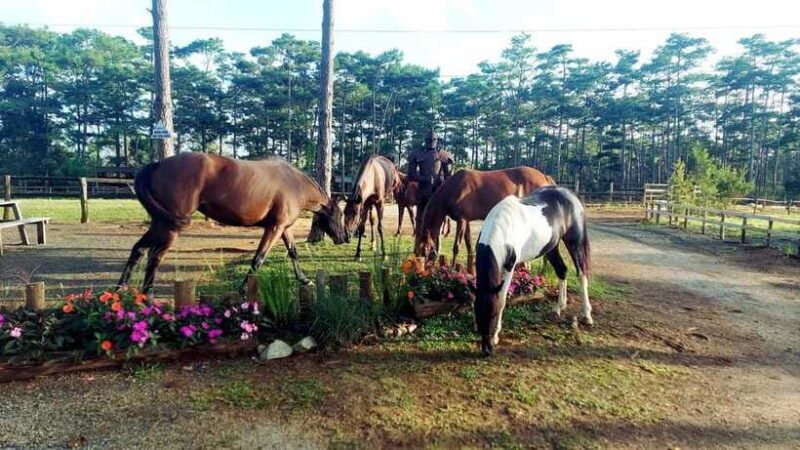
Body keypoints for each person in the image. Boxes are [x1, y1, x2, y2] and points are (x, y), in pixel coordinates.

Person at [407, 130, 453, 233]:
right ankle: (419, 245)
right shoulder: (417, 154)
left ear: (436, 140)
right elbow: (411, 175)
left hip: (438, 193)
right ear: (425, 140)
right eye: (429, 140)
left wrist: (441, 184)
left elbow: (448, 177)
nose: (431, 141)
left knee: (437, 220)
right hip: (423, 192)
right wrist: (425, 179)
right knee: (420, 220)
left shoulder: (442, 154)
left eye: (433, 140)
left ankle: (436, 246)